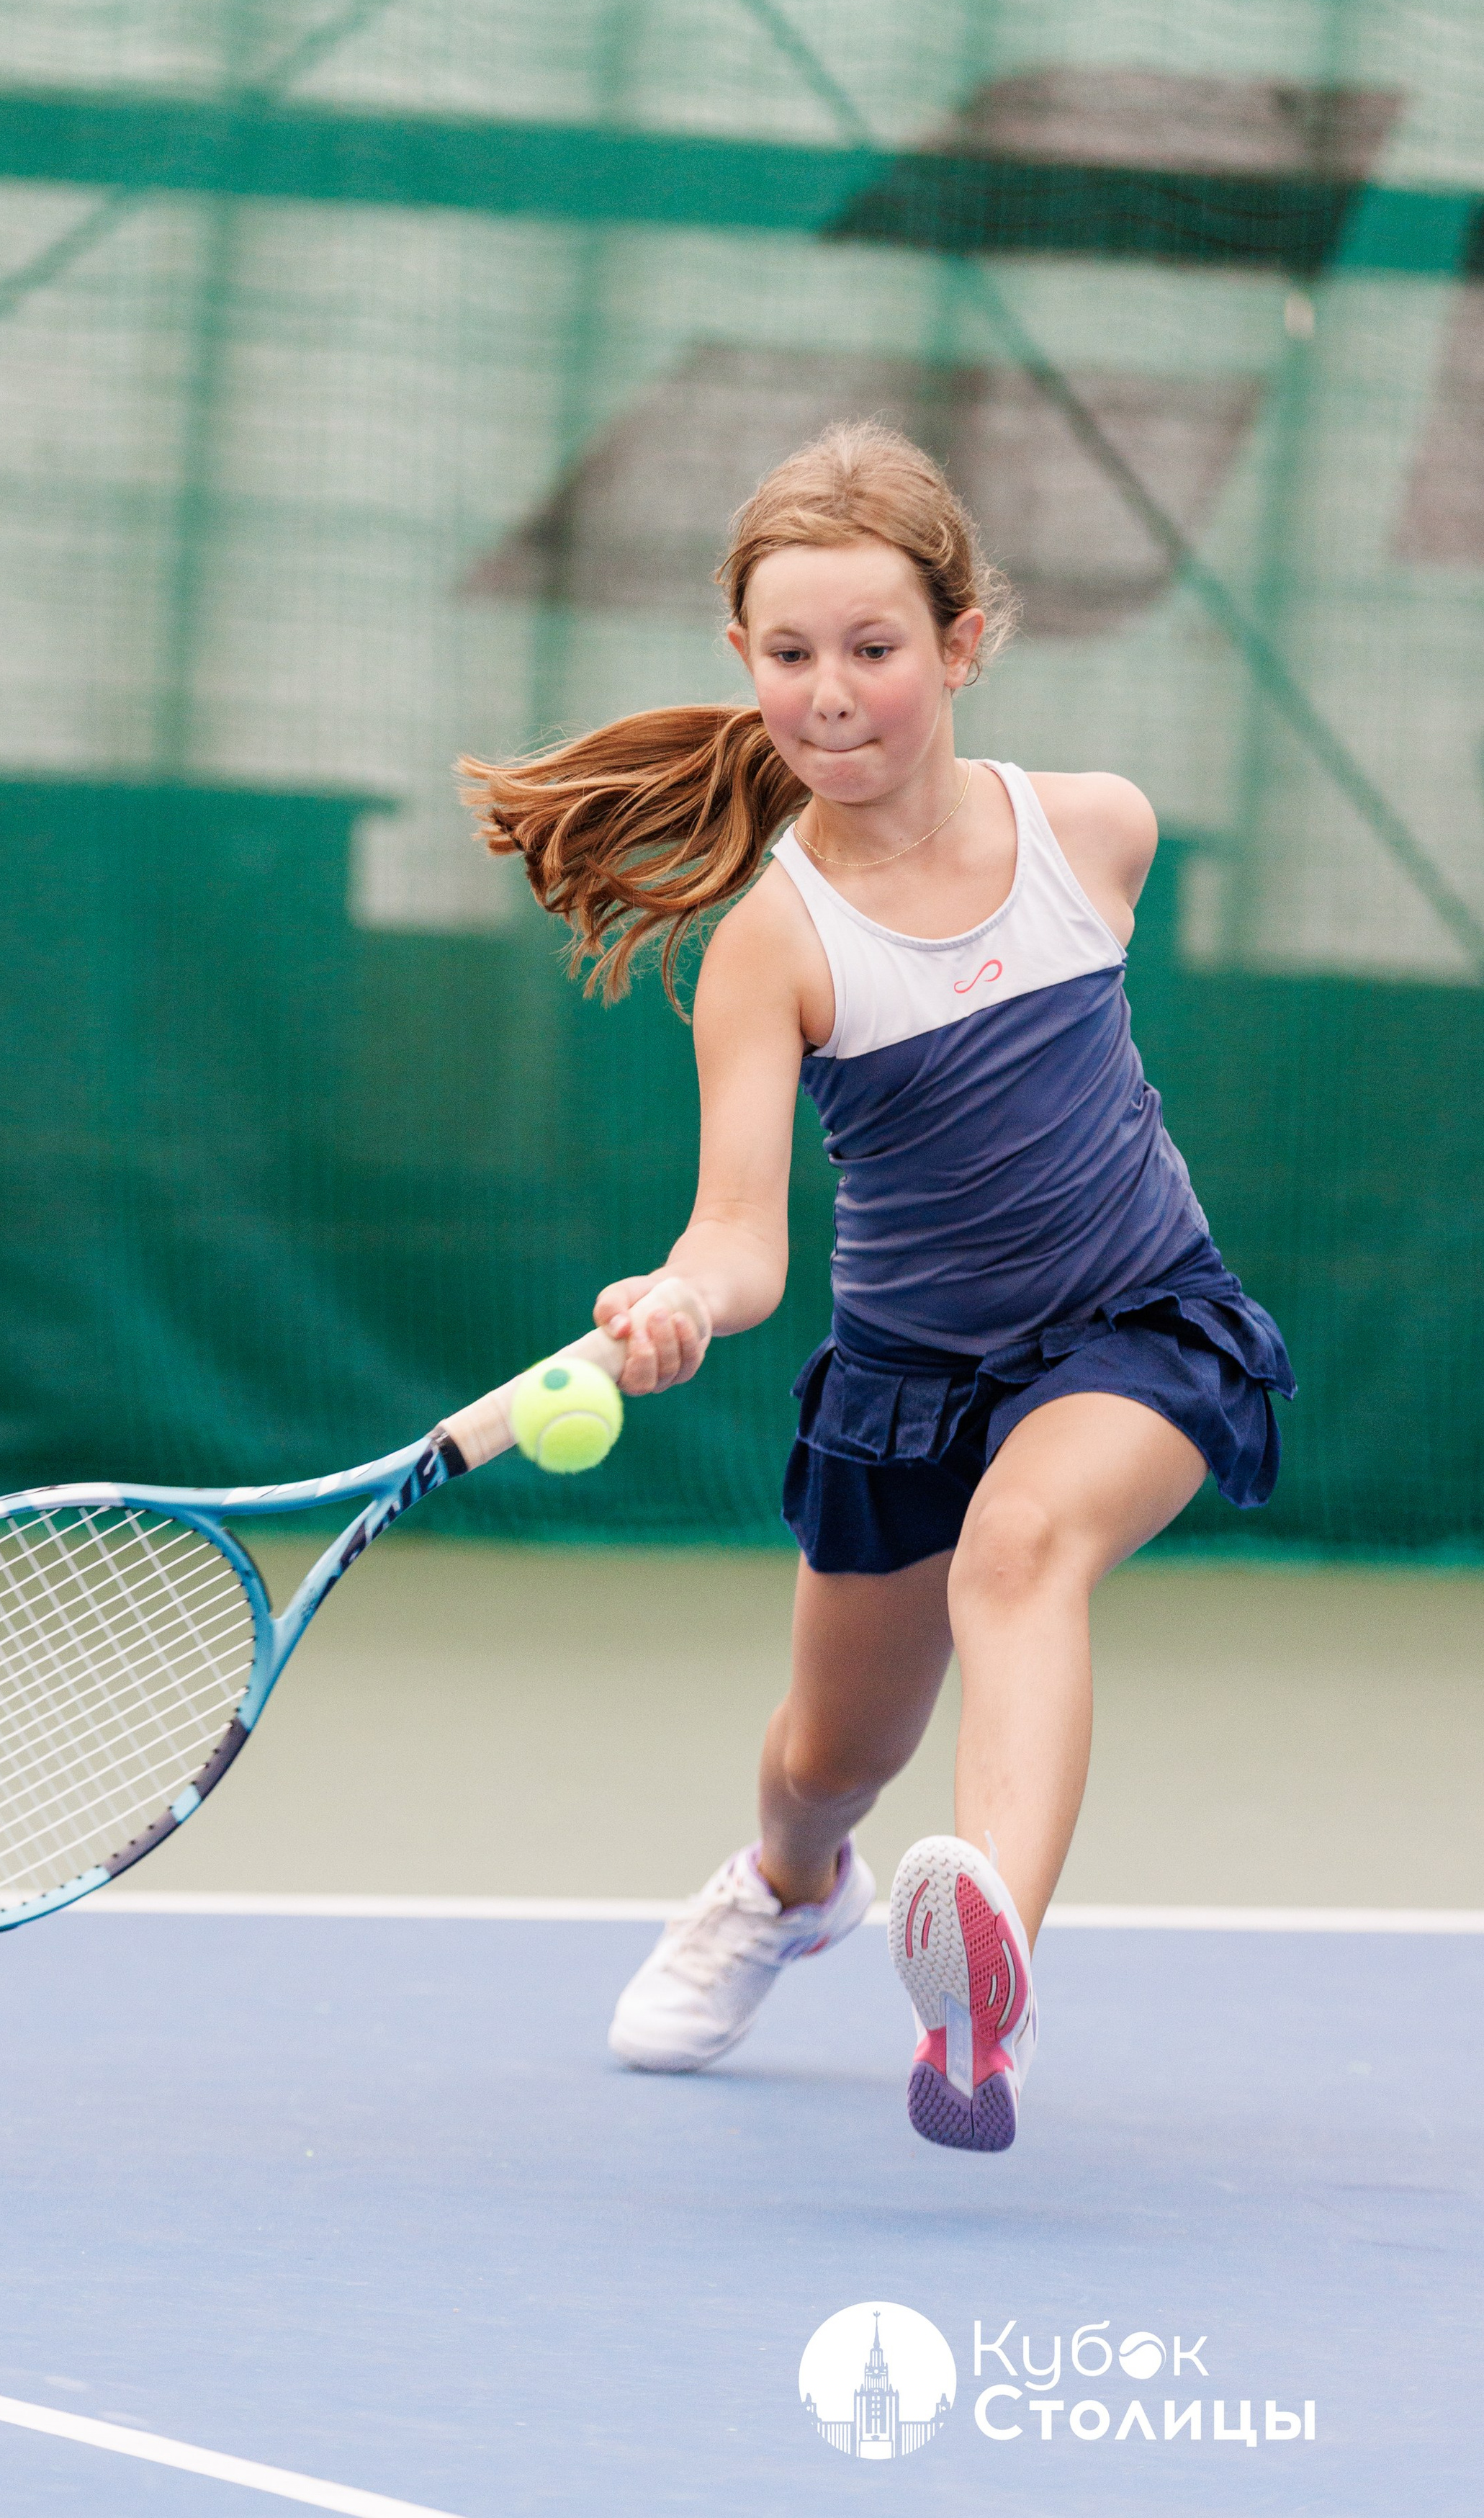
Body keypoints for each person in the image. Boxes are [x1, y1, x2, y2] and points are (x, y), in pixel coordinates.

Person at [458, 421, 1292, 2154]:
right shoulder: (768, 942)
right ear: (742, 659)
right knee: (824, 1760)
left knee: (1024, 1547)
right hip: (906, 1374)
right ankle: (785, 1889)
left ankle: (985, 1988)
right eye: (787, 654)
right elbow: (743, 1236)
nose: (828, 693)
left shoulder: (1092, 834)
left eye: (871, 648)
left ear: (962, 641)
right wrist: (678, 1296)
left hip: (1137, 1320)